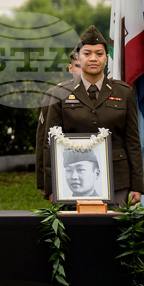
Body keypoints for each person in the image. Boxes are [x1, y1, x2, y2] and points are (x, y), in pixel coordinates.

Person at [42, 25, 144, 286]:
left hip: (117, 181)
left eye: (99, 53)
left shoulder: (123, 92)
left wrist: (137, 185)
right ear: (78, 57)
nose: (94, 58)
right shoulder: (61, 94)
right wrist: (50, 186)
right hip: (74, 182)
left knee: (111, 244)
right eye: (87, 53)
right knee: (80, 245)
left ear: (106, 58)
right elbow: (50, 143)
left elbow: (132, 140)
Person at [36, 45, 83, 195]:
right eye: (78, 66)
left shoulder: (108, 93)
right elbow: (44, 140)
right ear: (70, 68)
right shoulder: (56, 94)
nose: (82, 71)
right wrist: (44, 182)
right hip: (67, 170)